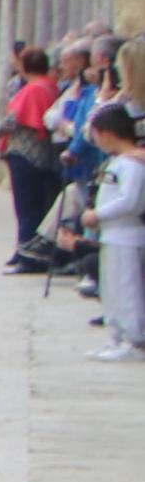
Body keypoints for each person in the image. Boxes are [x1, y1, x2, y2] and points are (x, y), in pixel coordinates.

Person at [5, 45, 70, 264]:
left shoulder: (34, 89)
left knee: (26, 207)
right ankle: (25, 251)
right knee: (35, 206)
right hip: (42, 153)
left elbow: (16, 119)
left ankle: (26, 254)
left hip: (26, 153)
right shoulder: (51, 87)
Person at [92, 104, 145, 360]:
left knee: (127, 288)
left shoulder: (133, 164)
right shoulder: (117, 163)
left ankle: (133, 339)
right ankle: (116, 336)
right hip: (110, 235)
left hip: (127, 234)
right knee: (111, 288)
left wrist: (98, 214)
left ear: (108, 134)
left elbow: (130, 201)